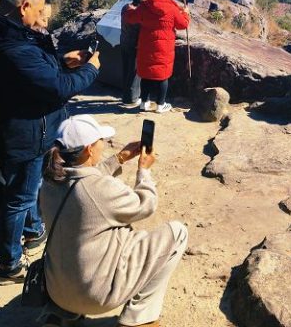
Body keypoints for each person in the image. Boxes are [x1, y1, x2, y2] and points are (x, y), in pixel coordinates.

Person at [0, 0, 100, 283]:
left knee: (29, 188)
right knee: (20, 197)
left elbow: (27, 77)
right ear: (23, 6)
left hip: (16, 128)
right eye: (38, 10)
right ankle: (10, 265)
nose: (41, 17)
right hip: (25, 134)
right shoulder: (13, 47)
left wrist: (63, 61)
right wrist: (92, 68)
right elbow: (58, 89)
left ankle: (34, 231)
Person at [40, 114, 187, 327]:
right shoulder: (100, 190)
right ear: (89, 149)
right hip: (95, 297)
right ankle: (139, 318)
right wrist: (144, 172)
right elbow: (146, 204)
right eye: (102, 141)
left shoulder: (50, 181)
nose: (104, 144)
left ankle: (64, 316)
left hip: (56, 293)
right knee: (177, 233)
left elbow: (81, 178)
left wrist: (119, 158)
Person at [123, 0, 189, 113]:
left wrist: (129, 10)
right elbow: (183, 24)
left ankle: (144, 103)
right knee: (163, 76)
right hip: (164, 47)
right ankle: (160, 105)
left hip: (146, 44)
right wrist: (185, 13)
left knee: (145, 74)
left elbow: (130, 18)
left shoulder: (146, 5)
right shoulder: (172, 7)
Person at [121, 0, 150, 106]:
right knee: (134, 71)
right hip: (135, 45)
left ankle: (126, 94)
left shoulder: (125, 7)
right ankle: (131, 98)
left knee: (126, 69)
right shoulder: (138, 12)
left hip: (124, 42)